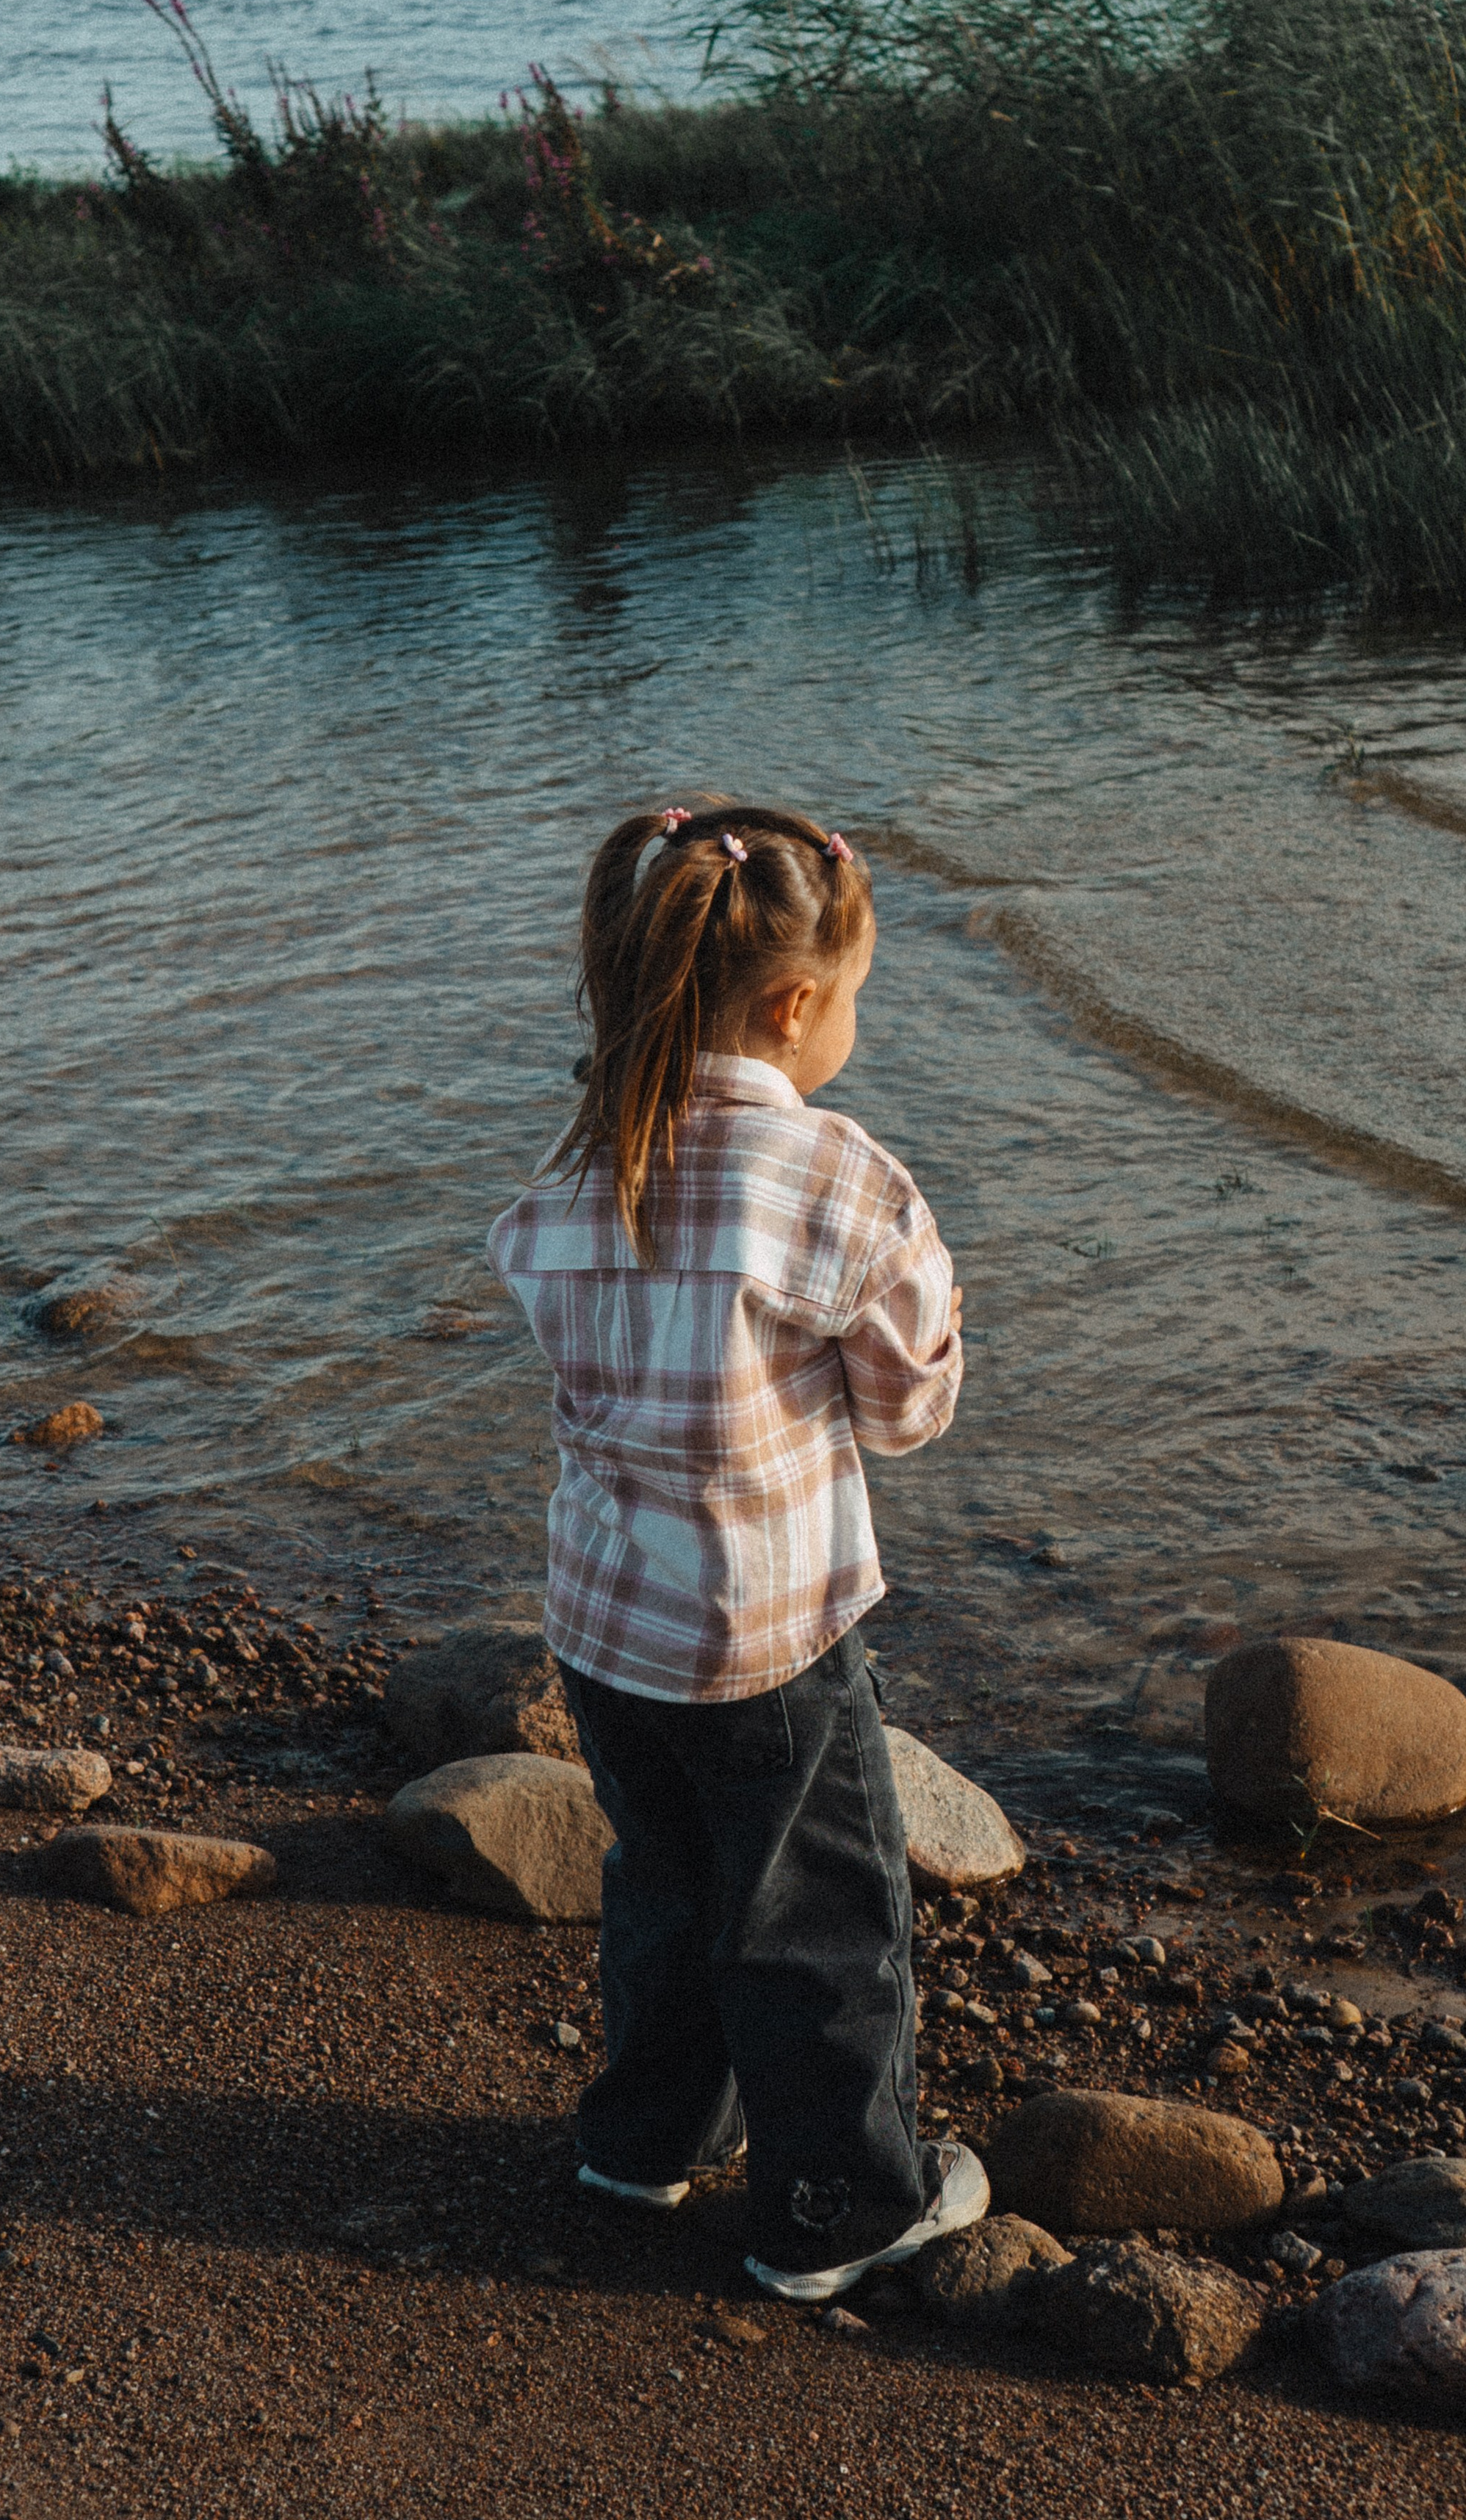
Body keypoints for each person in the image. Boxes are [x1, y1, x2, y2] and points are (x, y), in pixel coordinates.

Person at [487, 798, 988, 2302]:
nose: (851, 1024)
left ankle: (640, 2143)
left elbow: (551, 1308)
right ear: (790, 1004)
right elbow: (906, 1408)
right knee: (821, 1920)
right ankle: (836, 2209)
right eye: (851, 998)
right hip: (767, 1637)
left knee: (666, 1885)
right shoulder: (833, 1179)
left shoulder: (580, 1174)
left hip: (604, 1628)